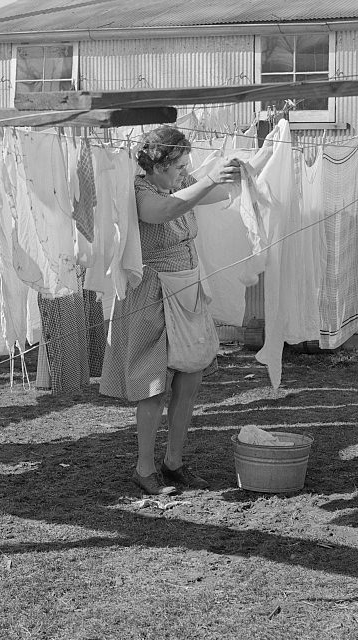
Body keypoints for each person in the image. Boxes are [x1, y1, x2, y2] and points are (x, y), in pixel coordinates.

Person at [100, 125, 241, 495]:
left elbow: (215, 192)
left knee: (190, 377)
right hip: (152, 292)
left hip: (188, 289)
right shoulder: (139, 191)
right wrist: (208, 179)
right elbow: (163, 212)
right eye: (179, 163)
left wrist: (243, 173)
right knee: (154, 384)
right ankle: (144, 467)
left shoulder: (180, 182)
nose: (185, 169)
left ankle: (174, 461)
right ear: (160, 164)